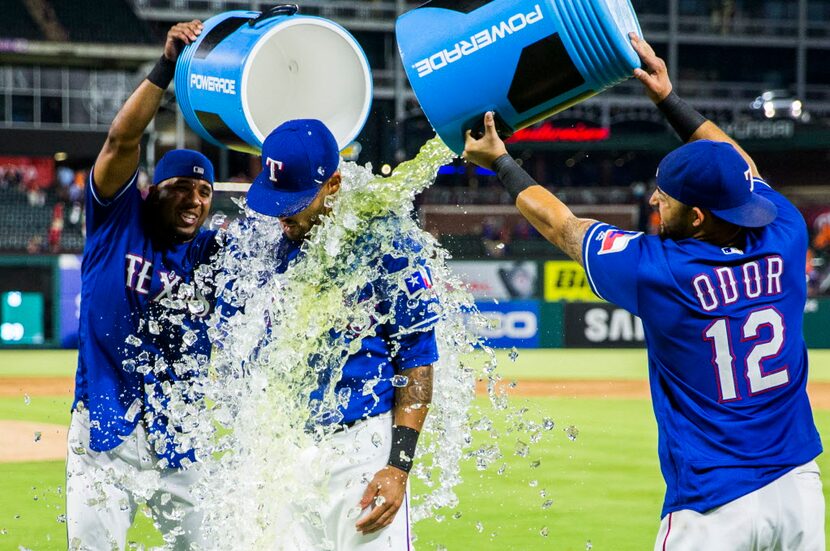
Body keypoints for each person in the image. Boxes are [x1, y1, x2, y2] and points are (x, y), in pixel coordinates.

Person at [463, 34, 824, 550]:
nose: (656, 199)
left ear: (697, 217)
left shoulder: (660, 270)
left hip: (713, 505)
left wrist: (500, 160)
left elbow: (565, 227)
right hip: (799, 492)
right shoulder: (786, 233)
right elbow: (739, 167)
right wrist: (668, 98)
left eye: (667, 198)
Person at [245, 119, 438, 550]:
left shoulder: (387, 243)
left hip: (361, 452)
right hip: (287, 450)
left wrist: (398, 466)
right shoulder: (268, 246)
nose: (282, 213)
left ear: (333, 184)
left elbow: (417, 358)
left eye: (294, 200)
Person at [66, 20, 219, 551]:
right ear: (154, 190)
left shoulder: (212, 252)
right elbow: (120, 139)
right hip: (104, 428)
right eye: (182, 187)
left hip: (181, 436)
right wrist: (166, 68)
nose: (196, 200)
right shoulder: (117, 219)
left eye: (204, 191)